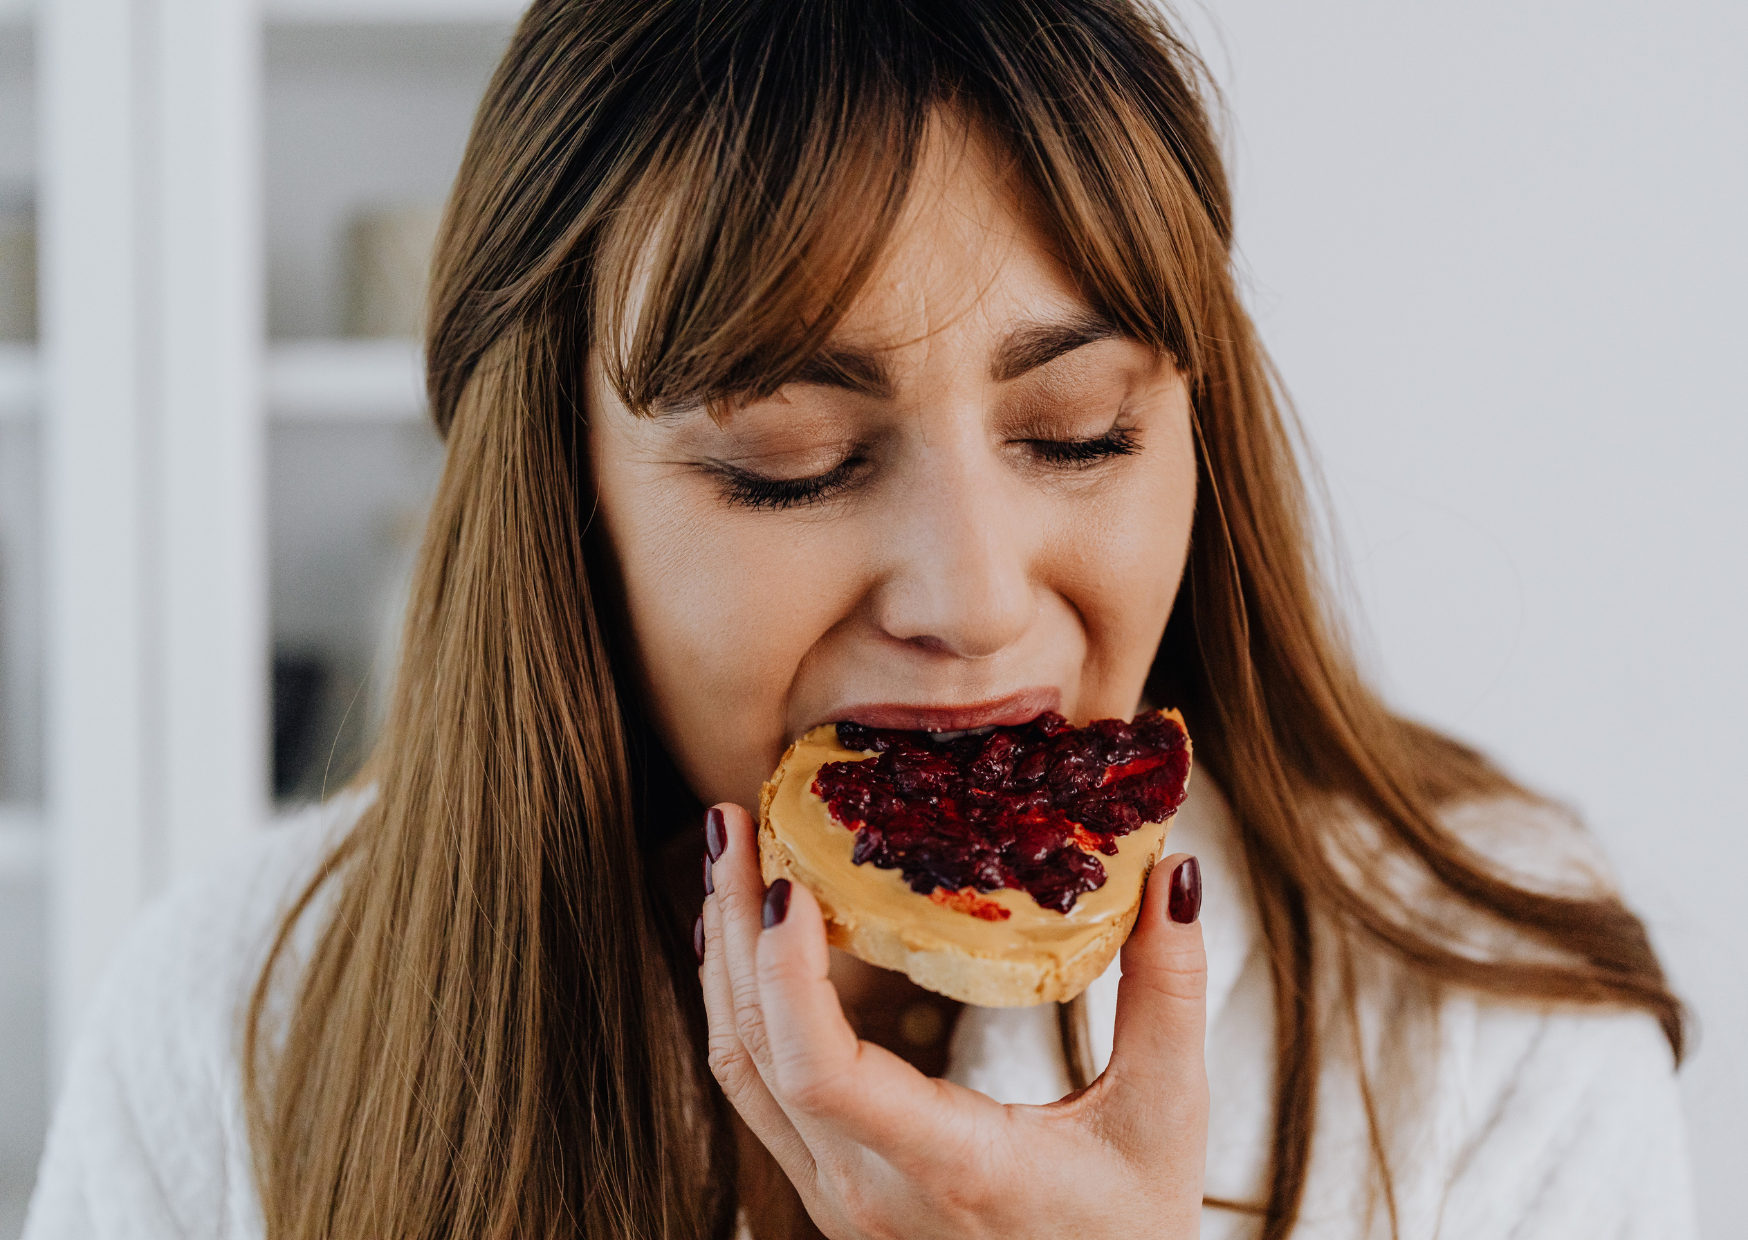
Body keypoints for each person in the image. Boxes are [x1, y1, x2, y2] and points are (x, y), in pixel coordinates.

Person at [26, 1, 1693, 1237]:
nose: (973, 600)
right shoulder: (235, 1032)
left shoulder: (1483, 1020)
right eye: (793, 465)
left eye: (1082, 434)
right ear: (557, 505)